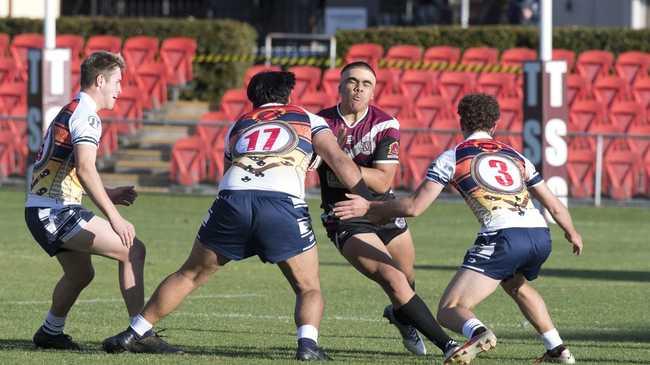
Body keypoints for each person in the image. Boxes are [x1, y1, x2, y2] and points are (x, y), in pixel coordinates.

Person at [102, 71, 383, 360]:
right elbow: (338, 160)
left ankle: (134, 332)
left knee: (189, 274)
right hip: (281, 203)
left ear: (254, 99)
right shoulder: (309, 119)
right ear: (288, 96)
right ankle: (308, 346)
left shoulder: (239, 124)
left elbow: (229, 170)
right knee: (307, 285)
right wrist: (370, 202)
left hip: (232, 200)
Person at [333, 93, 584, 364]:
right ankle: (558, 350)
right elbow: (553, 204)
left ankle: (478, 332)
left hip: (504, 237)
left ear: (461, 121)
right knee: (516, 285)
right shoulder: (515, 155)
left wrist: (370, 208)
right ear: (496, 124)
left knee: (450, 309)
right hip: (539, 234)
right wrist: (572, 232)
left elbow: (415, 207)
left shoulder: (453, 157)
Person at [316, 61, 468, 361]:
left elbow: (384, 179)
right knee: (393, 279)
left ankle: (403, 318)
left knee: (407, 278)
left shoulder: (386, 124)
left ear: (374, 91)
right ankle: (449, 346)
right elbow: (370, 175)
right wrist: (360, 171)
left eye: (366, 83)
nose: (358, 88)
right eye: (352, 81)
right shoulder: (319, 123)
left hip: (383, 208)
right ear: (339, 85)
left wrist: (337, 162)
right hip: (346, 214)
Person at [25, 51, 146, 350]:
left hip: (44, 209)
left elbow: (71, 169)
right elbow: (85, 167)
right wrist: (115, 217)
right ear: (100, 80)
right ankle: (141, 333)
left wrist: (109, 192)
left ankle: (50, 332)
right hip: (54, 212)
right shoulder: (86, 114)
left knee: (81, 273)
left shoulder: (74, 109)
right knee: (133, 250)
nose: (120, 90)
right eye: (117, 82)